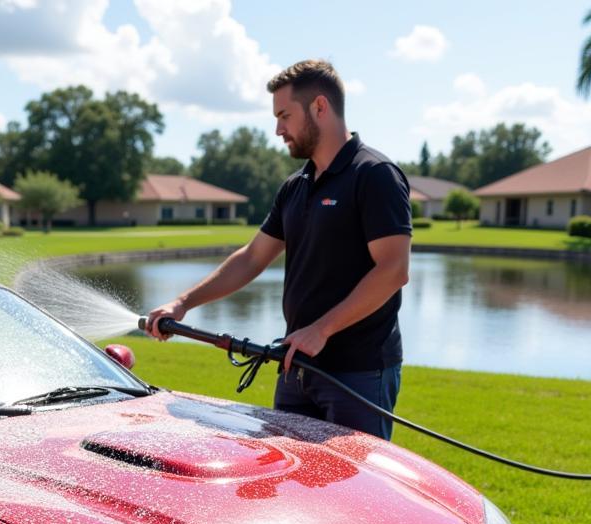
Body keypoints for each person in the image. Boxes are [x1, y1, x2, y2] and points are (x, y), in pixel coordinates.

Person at [144, 59, 412, 439]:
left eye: (285, 115)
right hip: (295, 366)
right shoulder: (295, 186)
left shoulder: (374, 175)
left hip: (359, 373)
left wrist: (321, 329)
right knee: (289, 488)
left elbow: (393, 270)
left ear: (320, 107)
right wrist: (183, 303)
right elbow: (252, 258)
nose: (277, 129)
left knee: (353, 492)